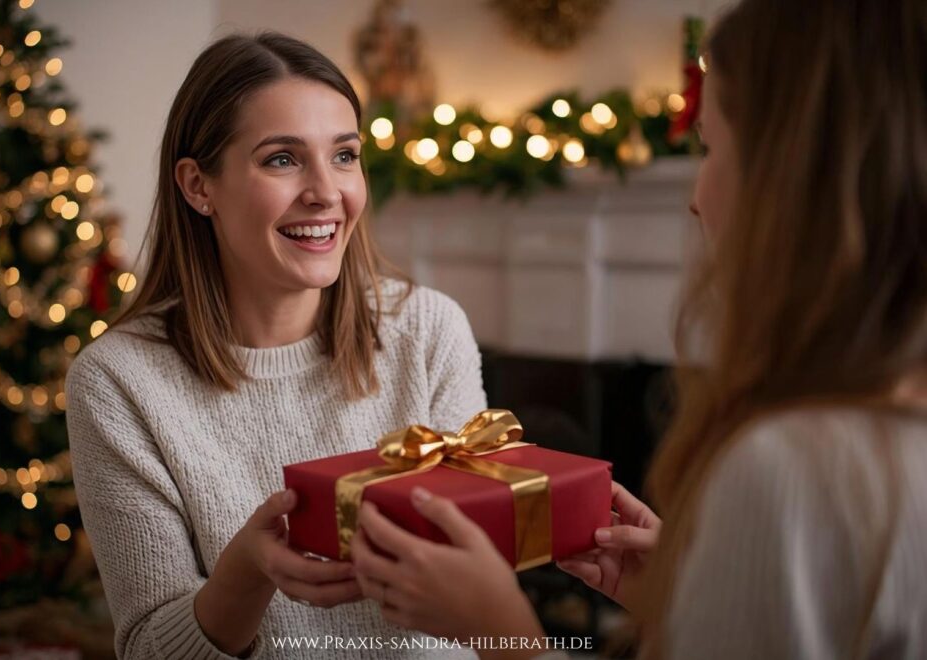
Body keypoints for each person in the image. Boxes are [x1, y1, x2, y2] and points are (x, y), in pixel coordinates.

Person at [351, 0, 927, 657]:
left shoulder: (791, 470)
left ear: (791, 182)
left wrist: (500, 627)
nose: (696, 198)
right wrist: (687, 598)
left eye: (711, 148)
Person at [64, 32, 484, 659]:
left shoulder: (429, 330)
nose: (326, 192)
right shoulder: (118, 381)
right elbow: (150, 647)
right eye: (282, 159)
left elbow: (481, 594)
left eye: (344, 155)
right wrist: (246, 573)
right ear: (198, 186)